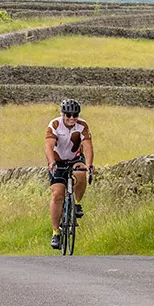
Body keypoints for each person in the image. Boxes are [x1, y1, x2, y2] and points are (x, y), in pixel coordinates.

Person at [45, 98, 94, 249]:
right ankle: (56, 233)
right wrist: (51, 163)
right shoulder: (54, 125)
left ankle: (77, 204)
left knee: (81, 172)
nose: (72, 118)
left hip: (75, 158)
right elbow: (49, 146)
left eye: (75, 115)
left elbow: (88, 147)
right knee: (57, 195)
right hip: (58, 160)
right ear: (62, 114)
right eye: (68, 115)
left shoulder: (82, 125)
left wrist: (89, 165)